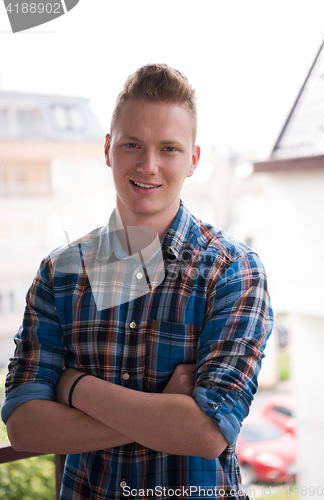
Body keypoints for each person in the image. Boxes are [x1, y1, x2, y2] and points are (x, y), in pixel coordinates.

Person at [1, 64, 273, 500]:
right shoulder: (60, 273)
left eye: (168, 148)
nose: (149, 166)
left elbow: (206, 435)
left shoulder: (233, 272)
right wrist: (164, 412)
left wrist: (75, 387)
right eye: (133, 145)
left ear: (193, 160)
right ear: (108, 148)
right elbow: (25, 427)